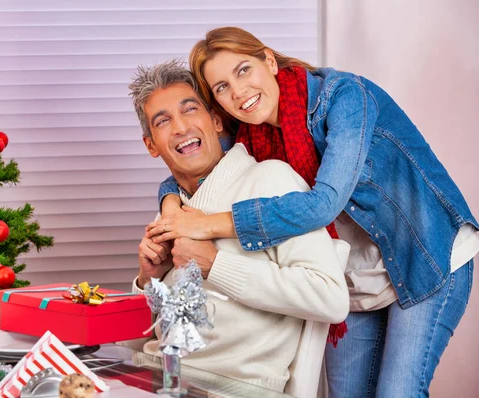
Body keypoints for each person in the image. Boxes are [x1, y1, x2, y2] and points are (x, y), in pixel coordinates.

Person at [145, 27, 479, 397]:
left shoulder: (345, 97)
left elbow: (324, 205)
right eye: (221, 87)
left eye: (243, 70)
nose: (238, 92)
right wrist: (170, 204)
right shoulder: (251, 130)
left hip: (423, 253)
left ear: (268, 60)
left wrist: (209, 225)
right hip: (357, 274)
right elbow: (194, 163)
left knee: (397, 393)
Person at [127, 59, 349, 393]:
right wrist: (147, 279)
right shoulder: (170, 214)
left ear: (216, 121)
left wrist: (215, 264)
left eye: (190, 110)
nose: (180, 127)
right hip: (155, 380)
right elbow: (134, 344)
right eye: (163, 121)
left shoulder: (270, 181)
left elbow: (330, 298)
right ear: (151, 145)